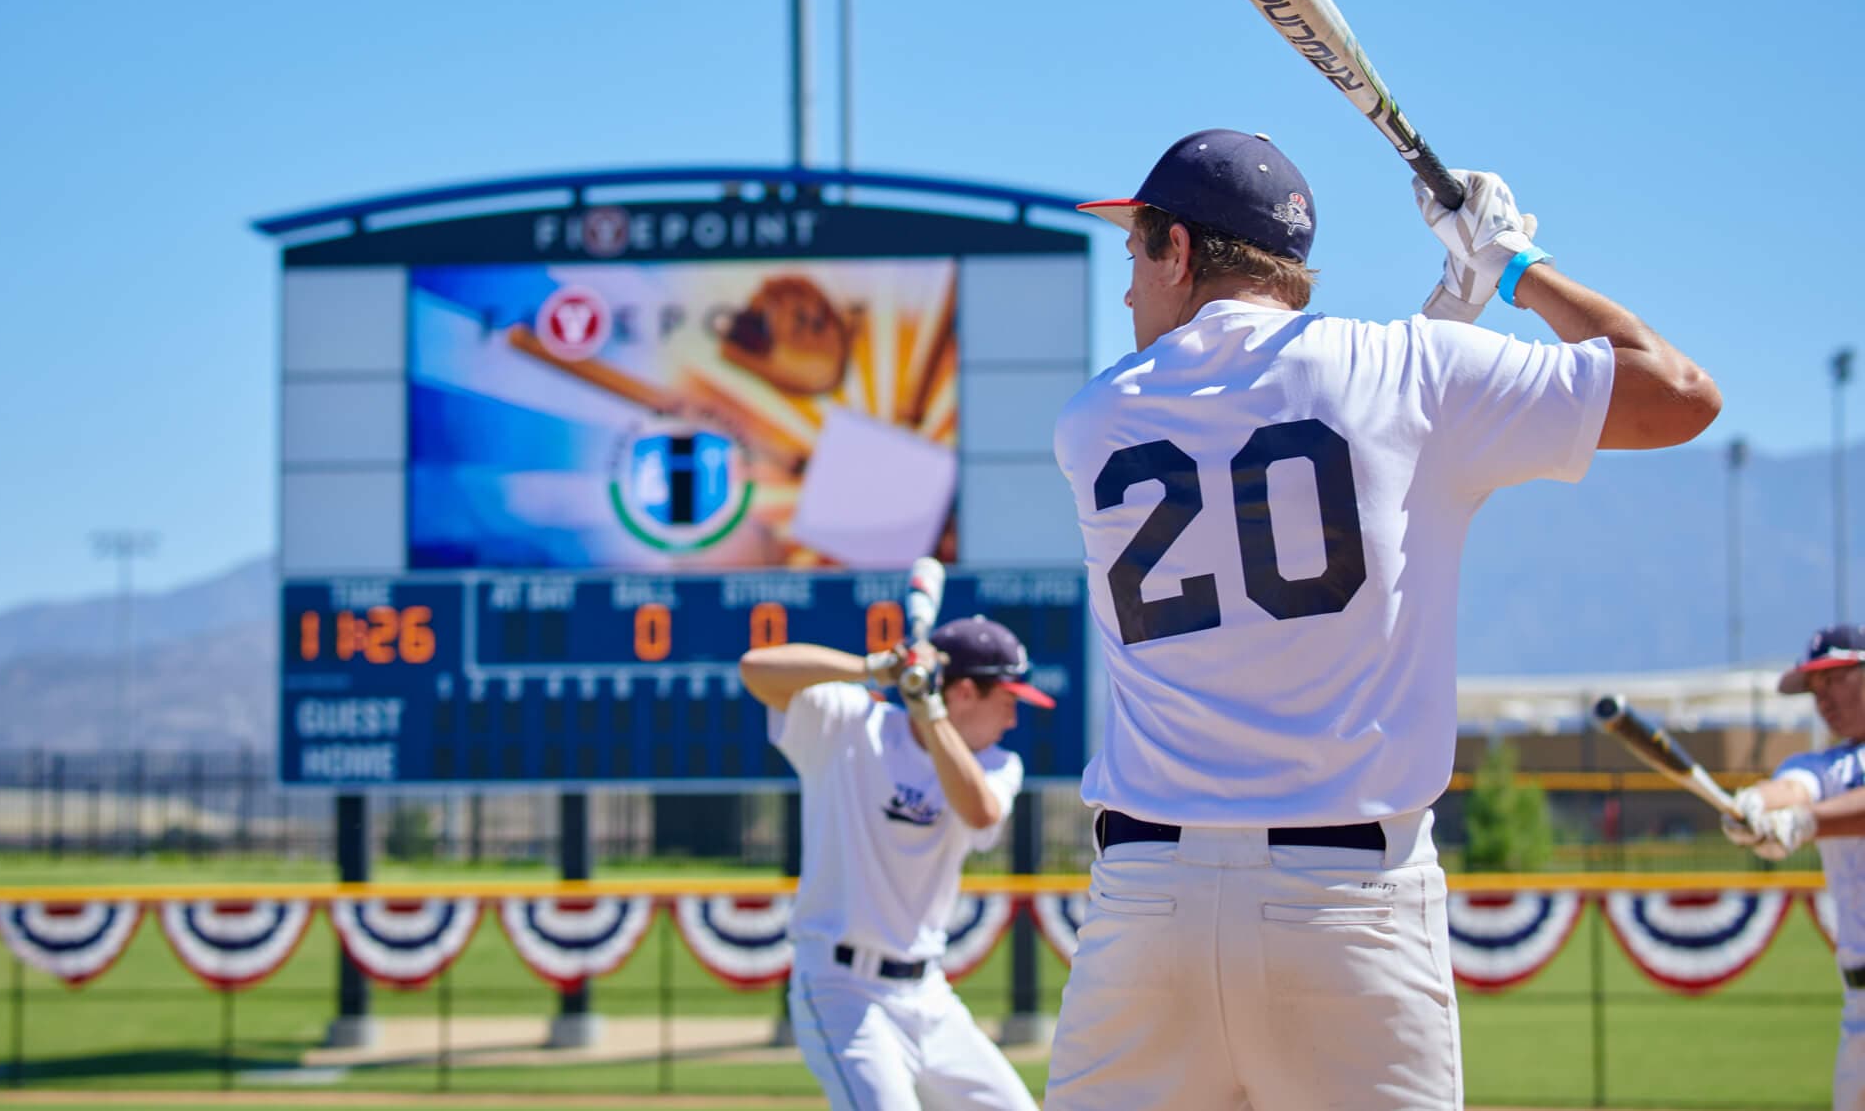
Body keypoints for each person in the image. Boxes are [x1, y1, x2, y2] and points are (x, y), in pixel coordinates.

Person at [1045, 129, 1721, 1110]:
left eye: (1138, 253)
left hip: (1144, 910)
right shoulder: (1410, 372)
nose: (1129, 291)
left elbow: (1301, 442)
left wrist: (1446, 320)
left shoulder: (1094, 418)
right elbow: (1677, 397)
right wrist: (1514, 271)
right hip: (1346, 907)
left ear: (1181, 252)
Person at [740, 610, 1056, 1110]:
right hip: (840, 988)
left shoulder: (997, 764)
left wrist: (930, 711)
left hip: (927, 995)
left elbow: (978, 812)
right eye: (1007, 701)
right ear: (966, 692)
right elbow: (756, 669)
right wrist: (876, 668)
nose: (1014, 719)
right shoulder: (850, 724)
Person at [1722, 624, 1865, 1109]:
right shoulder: (1831, 765)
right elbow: (1793, 786)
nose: (1822, 698)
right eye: (1814, 687)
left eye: (1835, 679)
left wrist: (1804, 823)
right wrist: (1754, 806)